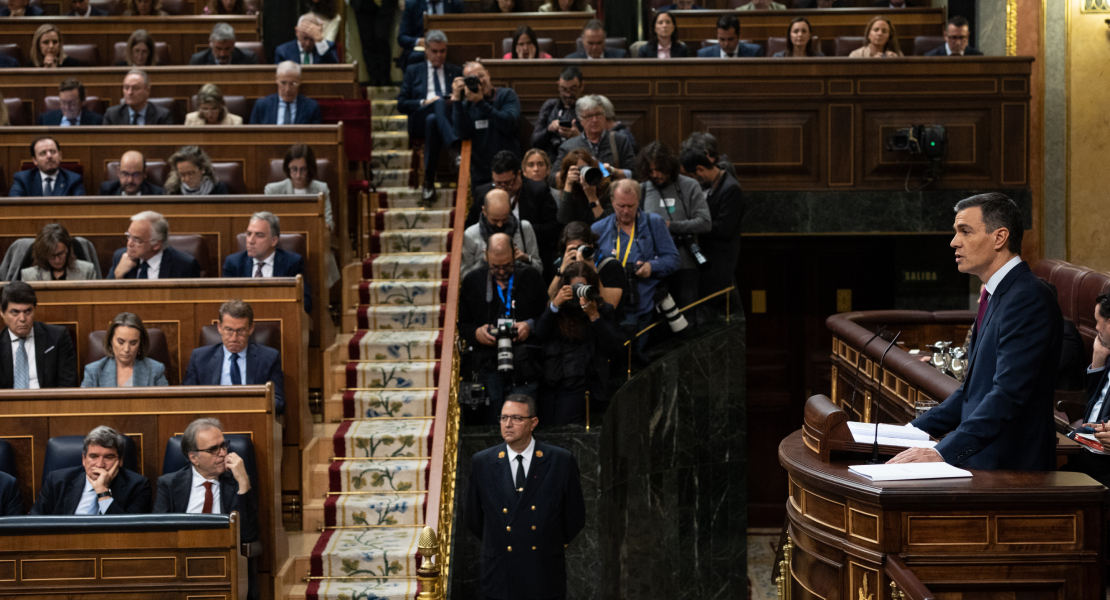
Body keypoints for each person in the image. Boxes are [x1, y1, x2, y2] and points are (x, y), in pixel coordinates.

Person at [889, 193, 1063, 470]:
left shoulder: (1028, 298)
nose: (954, 241)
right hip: (985, 460)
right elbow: (971, 392)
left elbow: (1008, 395)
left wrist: (942, 452)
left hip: (1012, 469)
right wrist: (907, 432)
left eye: (965, 231)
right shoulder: (998, 295)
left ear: (999, 237)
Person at [465, 395, 586, 599]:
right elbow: (473, 517)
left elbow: (575, 517)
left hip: (543, 569)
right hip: (500, 570)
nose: (508, 424)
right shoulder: (482, 462)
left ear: (533, 423)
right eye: (503, 418)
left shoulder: (559, 461)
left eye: (517, 418)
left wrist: (547, 541)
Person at [154, 418, 260, 599]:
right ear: (193, 457)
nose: (223, 453)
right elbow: (158, 534)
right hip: (182, 564)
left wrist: (243, 481)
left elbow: (249, 535)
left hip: (224, 565)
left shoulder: (237, 482)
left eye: (224, 446)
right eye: (213, 449)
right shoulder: (169, 485)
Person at [458, 233, 547, 421]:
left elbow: (547, 318)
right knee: (492, 422)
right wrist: (476, 333)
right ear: (486, 255)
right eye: (495, 266)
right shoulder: (472, 281)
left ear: (515, 253)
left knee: (521, 422)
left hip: (525, 363)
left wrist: (529, 325)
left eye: (506, 265)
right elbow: (463, 325)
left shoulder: (531, 276)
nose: (500, 271)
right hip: (486, 364)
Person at [591, 180, 681, 345]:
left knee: (637, 357)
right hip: (608, 307)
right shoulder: (598, 229)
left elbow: (673, 259)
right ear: (612, 201)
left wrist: (651, 267)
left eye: (631, 206)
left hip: (641, 304)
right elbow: (589, 267)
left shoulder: (653, 223)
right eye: (620, 206)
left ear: (638, 201)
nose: (625, 211)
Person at [537, 261, 625, 425]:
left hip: (582, 382)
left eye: (582, 288)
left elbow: (615, 347)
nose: (578, 295)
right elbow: (539, 333)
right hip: (552, 379)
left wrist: (594, 316)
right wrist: (554, 306)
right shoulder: (558, 308)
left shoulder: (602, 310)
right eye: (574, 288)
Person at [636, 142, 710, 322]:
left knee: (686, 320)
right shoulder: (643, 189)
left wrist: (669, 226)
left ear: (670, 165)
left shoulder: (689, 186)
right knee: (657, 324)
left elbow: (705, 223)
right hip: (654, 268)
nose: (655, 175)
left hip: (685, 265)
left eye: (659, 169)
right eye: (651, 171)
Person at [183, 300, 285, 415]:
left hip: (252, 421)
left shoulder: (269, 358)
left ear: (250, 329)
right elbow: (187, 401)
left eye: (240, 331)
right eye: (229, 330)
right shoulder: (200, 358)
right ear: (219, 327)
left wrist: (248, 409)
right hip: (211, 423)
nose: (234, 338)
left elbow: (278, 401)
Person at [469, 150, 560, 272]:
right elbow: (471, 227)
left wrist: (521, 231)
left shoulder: (538, 191)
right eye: (497, 183)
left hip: (531, 261)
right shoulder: (482, 194)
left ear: (518, 174)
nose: (502, 187)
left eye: (507, 183)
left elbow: (554, 229)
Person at [396, 30, 462, 197]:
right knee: (436, 104)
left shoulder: (454, 71)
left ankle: (429, 181)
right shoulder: (413, 70)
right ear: (426, 50)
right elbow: (401, 104)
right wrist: (422, 103)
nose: (439, 55)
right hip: (419, 117)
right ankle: (454, 148)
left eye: (443, 51)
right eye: (435, 51)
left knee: (433, 120)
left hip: (444, 118)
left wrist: (456, 98)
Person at [30, 426, 152, 515]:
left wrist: (103, 492)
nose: (100, 464)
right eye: (93, 457)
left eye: (108, 457)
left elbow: (131, 531)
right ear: (84, 459)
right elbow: (35, 523)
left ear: (120, 461)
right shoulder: (57, 480)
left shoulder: (138, 486)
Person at [680, 145, 743, 314]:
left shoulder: (731, 189)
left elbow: (724, 229)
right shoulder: (710, 186)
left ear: (700, 169)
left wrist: (693, 225)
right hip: (704, 264)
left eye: (692, 177)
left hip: (717, 268)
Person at [1060, 293, 1110, 485]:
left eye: (1098, 322)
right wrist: (1098, 359)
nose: (1096, 328)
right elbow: (1093, 413)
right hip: (1093, 448)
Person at [223, 212, 313, 314]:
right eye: (249, 234)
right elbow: (225, 304)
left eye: (259, 235)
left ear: (273, 241)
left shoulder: (292, 263)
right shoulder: (233, 263)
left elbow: (306, 303)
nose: (251, 241)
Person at [452, 61, 522, 188]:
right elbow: (462, 133)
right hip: (481, 175)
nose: (479, 81)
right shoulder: (467, 105)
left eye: (481, 75)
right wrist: (457, 100)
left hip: (509, 174)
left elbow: (510, 124)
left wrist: (480, 103)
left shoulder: (506, 95)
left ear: (488, 74)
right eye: (472, 79)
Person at [0, 282, 78, 389]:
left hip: (49, 403)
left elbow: (68, 384)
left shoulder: (57, 337)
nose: (22, 319)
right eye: (15, 312)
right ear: (2, 312)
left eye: (28, 311)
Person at [547, 221, 627, 321]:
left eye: (582, 248)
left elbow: (610, 306)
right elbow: (551, 300)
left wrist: (592, 270)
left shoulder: (611, 266)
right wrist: (561, 270)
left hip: (603, 326)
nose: (578, 253)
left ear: (591, 245)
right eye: (573, 249)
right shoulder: (561, 265)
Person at [553, 95, 636, 184]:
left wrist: (612, 171)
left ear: (604, 116)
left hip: (611, 194)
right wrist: (569, 176)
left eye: (598, 114)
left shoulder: (619, 140)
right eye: (589, 116)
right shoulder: (569, 146)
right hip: (580, 194)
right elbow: (552, 177)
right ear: (581, 121)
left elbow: (634, 174)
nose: (595, 120)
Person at [462, 189, 544, 278]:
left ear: (510, 209)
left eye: (505, 219)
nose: (500, 224)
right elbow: (465, 277)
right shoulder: (470, 235)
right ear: (484, 211)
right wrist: (484, 262)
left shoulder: (524, 228)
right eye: (495, 220)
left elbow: (539, 269)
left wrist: (525, 258)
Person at [81, 313, 169, 387]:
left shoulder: (155, 370)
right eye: (120, 342)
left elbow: (166, 405)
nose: (126, 349)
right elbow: (83, 405)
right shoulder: (93, 371)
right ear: (111, 340)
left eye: (133, 343)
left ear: (140, 343)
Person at [108, 211, 202, 279]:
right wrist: (118, 276)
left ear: (156, 244)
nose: (129, 244)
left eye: (137, 240)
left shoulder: (184, 266)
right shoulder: (120, 257)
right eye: (129, 236)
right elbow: (105, 301)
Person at [264, 144, 335, 232]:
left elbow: (329, 222)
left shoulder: (321, 189)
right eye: (294, 169)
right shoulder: (273, 191)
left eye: (303, 169)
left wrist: (322, 229)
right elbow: (269, 225)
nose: (298, 175)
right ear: (288, 168)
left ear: (309, 169)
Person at [531, 66, 585, 168]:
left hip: (579, 162)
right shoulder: (550, 106)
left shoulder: (587, 108)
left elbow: (596, 144)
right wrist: (548, 130)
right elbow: (534, 142)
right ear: (558, 85)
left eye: (573, 89)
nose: (568, 95)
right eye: (564, 89)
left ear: (582, 86)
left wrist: (579, 137)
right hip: (551, 162)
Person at [397, 0, 464, 69]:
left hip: (449, 46)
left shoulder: (455, 4)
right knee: (416, 57)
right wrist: (419, 42)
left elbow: (462, 32)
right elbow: (402, 37)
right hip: (422, 50)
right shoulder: (412, 4)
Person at [249, 62, 323, 125]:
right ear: (276, 79)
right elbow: (252, 136)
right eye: (283, 83)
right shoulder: (262, 105)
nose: (287, 89)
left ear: (300, 81)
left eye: (293, 83)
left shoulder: (311, 107)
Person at [9, 137, 85, 197]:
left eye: (53, 152)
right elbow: (15, 206)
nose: (49, 156)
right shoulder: (23, 179)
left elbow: (80, 209)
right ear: (35, 160)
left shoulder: (73, 180)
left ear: (60, 156)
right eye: (43, 153)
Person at [22, 223, 97, 281]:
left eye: (60, 253)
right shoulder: (29, 276)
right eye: (51, 255)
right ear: (43, 254)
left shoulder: (87, 270)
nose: (57, 260)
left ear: (67, 249)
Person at [556, 149, 612, 226]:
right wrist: (568, 184)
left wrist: (592, 196)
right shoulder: (569, 190)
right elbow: (562, 220)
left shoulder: (606, 187)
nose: (583, 173)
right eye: (578, 170)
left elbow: (607, 225)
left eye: (586, 167)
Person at [103, 70, 175, 125]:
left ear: (147, 90)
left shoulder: (162, 116)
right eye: (126, 88)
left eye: (135, 88)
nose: (129, 92)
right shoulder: (112, 115)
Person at [274, 13, 340, 64]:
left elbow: (335, 71)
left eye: (312, 39)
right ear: (296, 32)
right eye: (304, 38)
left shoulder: (328, 47)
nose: (308, 44)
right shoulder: (283, 51)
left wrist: (320, 40)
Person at [163, 146, 230, 195]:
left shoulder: (219, 189)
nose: (186, 178)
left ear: (202, 168)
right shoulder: (172, 191)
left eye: (191, 173)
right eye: (182, 174)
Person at [38, 79, 103, 126]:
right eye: (63, 102)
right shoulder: (45, 119)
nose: (67, 107)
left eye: (72, 103)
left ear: (82, 101)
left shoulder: (96, 121)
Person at [190, 22, 259, 65]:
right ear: (211, 44)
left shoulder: (248, 60)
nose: (222, 54)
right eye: (218, 48)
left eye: (227, 48)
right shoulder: (198, 61)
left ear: (233, 45)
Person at [100, 151, 165, 196]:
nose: (130, 180)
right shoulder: (107, 191)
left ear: (144, 174)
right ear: (118, 172)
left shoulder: (158, 194)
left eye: (136, 174)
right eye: (125, 174)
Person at [698, 15, 763, 58]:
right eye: (722, 39)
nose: (726, 44)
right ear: (717, 36)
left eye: (730, 39)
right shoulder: (704, 55)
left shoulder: (754, 53)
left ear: (738, 36)